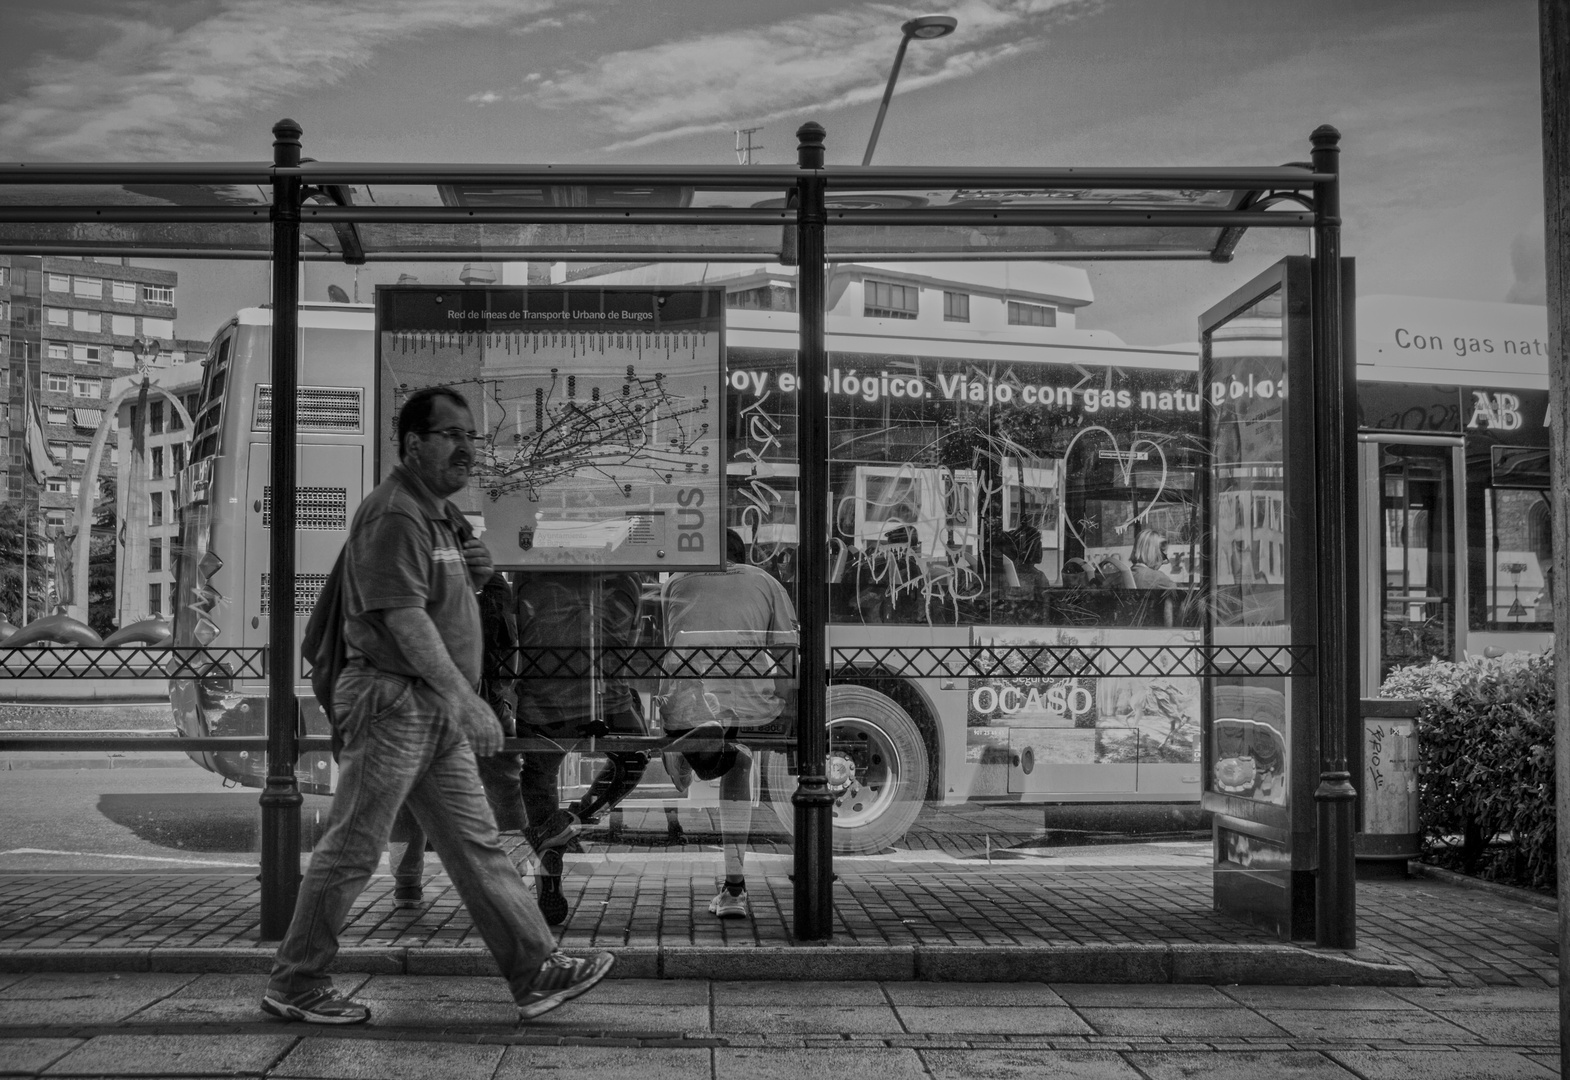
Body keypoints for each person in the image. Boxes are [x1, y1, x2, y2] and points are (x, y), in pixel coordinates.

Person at [262, 386, 613, 1026]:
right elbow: (400, 618)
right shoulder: (394, 513)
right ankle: (296, 981)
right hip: (396, 701)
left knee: (475, 846)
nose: (466, 448)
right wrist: (466, 698)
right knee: (353, 847)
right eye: (451, 435)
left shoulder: (437, 516)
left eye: (471, 436)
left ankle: (535, 972)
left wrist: (474, 577)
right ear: (413, 443)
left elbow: (436, 604)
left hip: (429, 709)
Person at [659, 528, 798, 918]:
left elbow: (671, 648)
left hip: (688, 711)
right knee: (740, 756)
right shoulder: (766, 582)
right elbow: (788, 655)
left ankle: (683, 754)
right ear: (743, 556)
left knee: (717, 742)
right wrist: (785, 706)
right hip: (750, 711)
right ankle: (734, 888)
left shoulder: (675, 583)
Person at [513, 570, 651, 925]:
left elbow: (516, 638)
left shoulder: (529, 576)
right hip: (609, 704)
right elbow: (629, 644)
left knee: (538, 773)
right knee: (634, 759)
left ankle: (551, 841)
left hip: (544, 706)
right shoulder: (626, 579)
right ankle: (575, 819)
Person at [389, 572, 528, 909]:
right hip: (485, 709)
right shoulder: (494, 586)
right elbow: (509, 655)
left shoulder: (421, 579)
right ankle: (512, 876)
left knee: (412, 792)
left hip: (427, 708)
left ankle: (406, 882)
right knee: (504, 787)